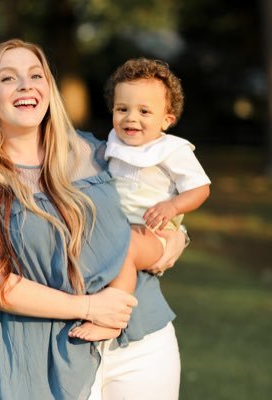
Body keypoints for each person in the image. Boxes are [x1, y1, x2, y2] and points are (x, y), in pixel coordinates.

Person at [0, 39, 187, 400]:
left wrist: (177, 235)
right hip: (44, 356)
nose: (26, 85)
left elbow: (154, 196)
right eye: (8, 78)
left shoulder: (97, 151)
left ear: (48, 89)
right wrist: (88, 308)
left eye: (35, 74)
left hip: (139, 340)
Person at [69, 58, 211, 342]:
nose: (131, 118)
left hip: (153, 233)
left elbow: (200, 189)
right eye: (122, 109)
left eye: (144, 111)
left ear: (166, 119)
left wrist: (173, 206)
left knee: (128, 246)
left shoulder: (171, 150)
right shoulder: (112, 145)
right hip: (116, 229)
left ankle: (115, 316)